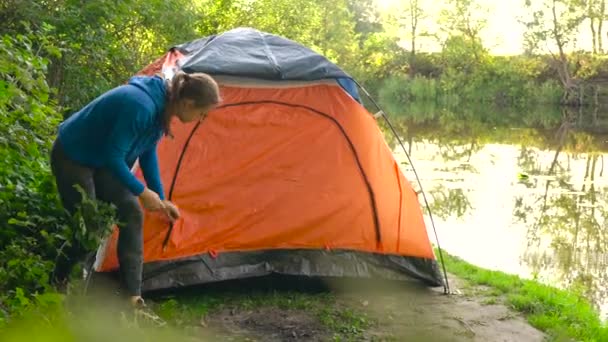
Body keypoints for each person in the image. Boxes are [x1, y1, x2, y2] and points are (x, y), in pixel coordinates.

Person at [50, 71, 221, 308]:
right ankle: (59, 283)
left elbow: (147, 152)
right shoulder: (140, 106)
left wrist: (161, 199)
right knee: (87, 227)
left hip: (98, 160)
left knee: (132, 212)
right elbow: (114, 157)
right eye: (201, 114)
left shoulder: (163, 109)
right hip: (73, 156)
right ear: (188, 103)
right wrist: (142, 191)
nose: (201, 119)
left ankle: (132, 297)